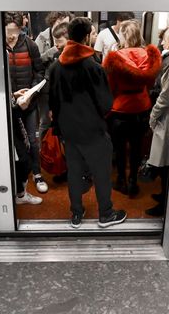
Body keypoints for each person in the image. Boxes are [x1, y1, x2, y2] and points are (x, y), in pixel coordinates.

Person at [48, 17, 127, 229]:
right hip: (92, 131)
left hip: (68, 131)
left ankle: (76, 214)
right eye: (92, 34)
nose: (94, 37)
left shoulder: (56, 67)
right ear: (85, 37)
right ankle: (106, 214)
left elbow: (52, 102)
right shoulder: (93, 68)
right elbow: (106, 103)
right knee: (101, 173)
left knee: (74, 173)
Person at [103, 20, 161, 197]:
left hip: (120, 108)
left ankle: (121, 180)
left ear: (123, 35)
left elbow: (108, 85)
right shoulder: (148, 56)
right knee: (136, 148)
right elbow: (150, 83)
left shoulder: (115, 57)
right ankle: (133, 182)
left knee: (120, 148)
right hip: (142, 106)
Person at [4, 12, 48, 194]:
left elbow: (39, 71)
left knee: (32, 139)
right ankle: (17, 178)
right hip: (9, 102)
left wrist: (29, 94)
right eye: (9, 31)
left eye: (16, 30)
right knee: (14, 142)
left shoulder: (29, 45)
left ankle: (37, 174)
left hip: (28, 101)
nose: (12, 35)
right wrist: (12, 96)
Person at [146, 25, 169, 216]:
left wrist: (152, 117)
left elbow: (165, 97)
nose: (162, 42)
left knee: (165, 163)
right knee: (165, 162)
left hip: (167, 118)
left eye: (166, 40)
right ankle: (164, 195)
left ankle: (166, 203)